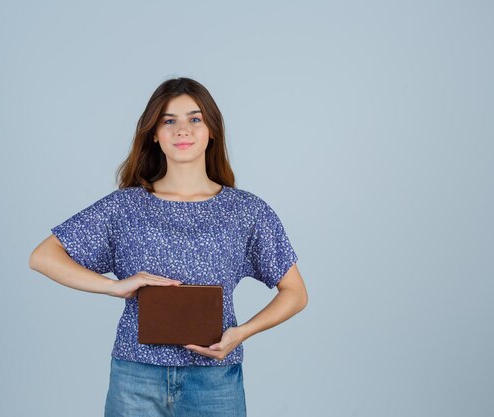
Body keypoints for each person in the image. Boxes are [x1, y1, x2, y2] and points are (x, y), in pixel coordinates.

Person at [29, 77, 308, 417]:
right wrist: (114, 287)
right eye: (169, 120)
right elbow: (43, 256)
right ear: (154, 133)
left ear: (212, 130)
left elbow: (295, 292)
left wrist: (242, 334)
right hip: (136, 377)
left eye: (195, 119)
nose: (182, 130)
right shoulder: (125, 207)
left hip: (214, 381)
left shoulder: (246, 210)